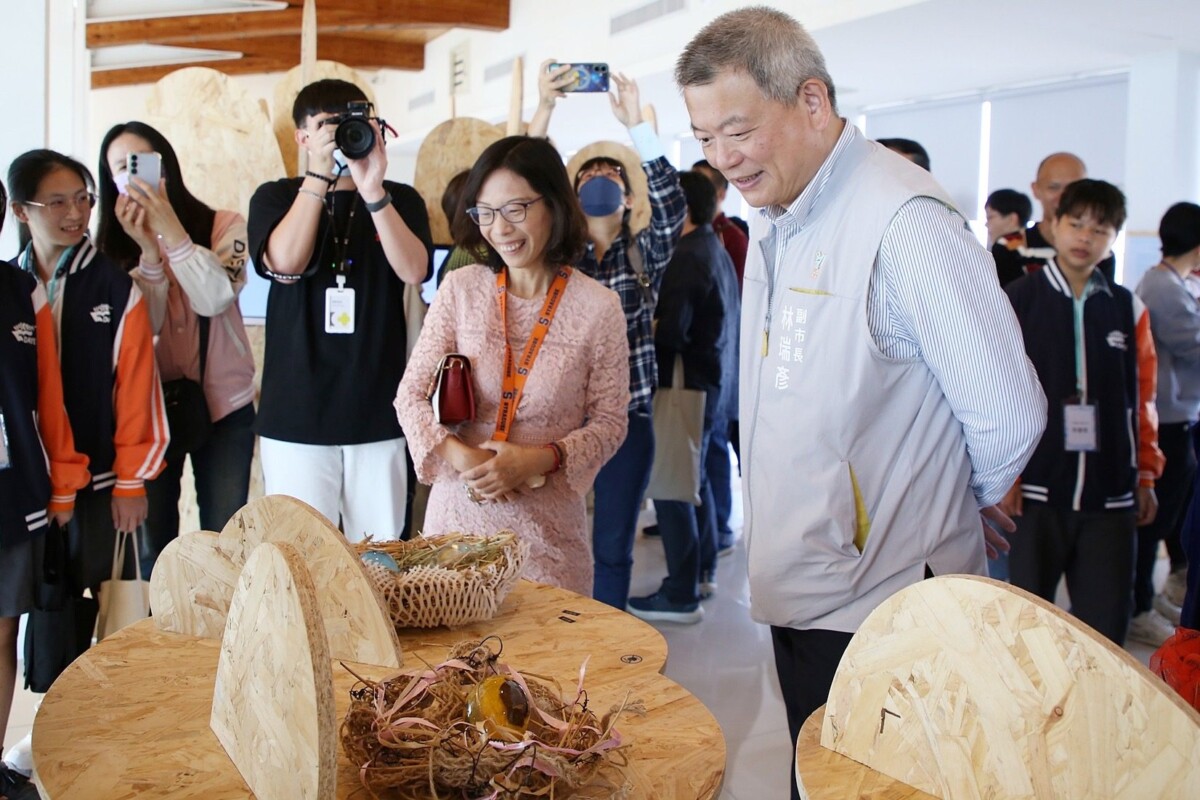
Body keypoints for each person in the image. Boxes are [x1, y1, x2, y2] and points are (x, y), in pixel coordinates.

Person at [674, 9, 1046, 797]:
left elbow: (1008, 411)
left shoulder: (902, 221)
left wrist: (955, 500)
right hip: (806, 580)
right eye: (704, 137)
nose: (721, 158)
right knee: (815, 774)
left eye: (737, 131)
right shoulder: (786, 210)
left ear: (811, 101)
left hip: (878, 603)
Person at [395, 135, 629, 595]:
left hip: (548, 540)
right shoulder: (461, 289)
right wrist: (464, 458)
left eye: (515, 209)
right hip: (456, 532)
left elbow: (610, 422)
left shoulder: (598, 307)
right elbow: (410, 396)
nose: (499, 228)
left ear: (554, 204)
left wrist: (539, 459)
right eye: (484, 212)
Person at [529, 61, 686, 609]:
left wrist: (636, 127)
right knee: (550, 539)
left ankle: (607, 640)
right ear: (569, 197)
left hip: (627, 420)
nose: (600, 179)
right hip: (558, 421)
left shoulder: (645, 252)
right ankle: (557, 632)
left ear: (629, 195)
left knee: (613, 547)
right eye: (588, 175)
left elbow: (672, 205)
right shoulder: (555, 257)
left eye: (612, 174)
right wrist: (544, 108)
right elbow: (529, 182)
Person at [248, 79, 432, 542]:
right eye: (329, 125)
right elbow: (285, 261)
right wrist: (317, 178)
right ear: (303, 137)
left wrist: (373, 191)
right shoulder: (275, 196)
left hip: (378, 409)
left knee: (382, 555)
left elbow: (414, 270)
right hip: (296, 412)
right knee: (299, 555)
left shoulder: (399, 199)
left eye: (355, 123)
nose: (344, 134)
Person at [1003, 179, 1162, 646]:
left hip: (1110, 495)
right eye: (1076, 224)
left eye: (1100, 229)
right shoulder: (1018, 300)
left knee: (1105, 629)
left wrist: (1146, 476)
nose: (1085, 237)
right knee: (1026, 628)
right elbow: (997, 395)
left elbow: (1144, 398)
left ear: (1114, 238)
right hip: (1034, 491)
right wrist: (1005, 475)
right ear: (1053, 226)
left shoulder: (1127, 307)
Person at [95, 121, 256, 578]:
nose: (132, 176)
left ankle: (224, 621)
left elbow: (215, 298)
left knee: (226, 541)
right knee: (155, 549)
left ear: (165, 166)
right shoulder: (108, 249)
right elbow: (142, 328)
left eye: (140, 163)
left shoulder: (224, 225)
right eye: (119, 168)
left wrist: (173, 233)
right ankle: (161, 623)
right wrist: (149, 253)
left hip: (226, 407)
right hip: (148, 414)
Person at [8, 149, 167, 594]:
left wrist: (130, 482)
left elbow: (137, 388)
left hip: (102, 479)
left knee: (103, 602)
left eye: (83, 199)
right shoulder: (11, 285)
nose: (76, 213)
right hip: (27, 479)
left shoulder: (113, 286)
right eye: (57, 202)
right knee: (41, 608)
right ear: (20, 211)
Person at [0, 178, 90, 799]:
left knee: (3, 631)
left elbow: (47, 396)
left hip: (13, 490)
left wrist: (61, 485)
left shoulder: (19, 288)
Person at [627, 171, 740, 623]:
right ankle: (703, 572)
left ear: (681, 209)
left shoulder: (686, 257)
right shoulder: (712, 245)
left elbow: (671, 332)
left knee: (672, 488)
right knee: (697, 482)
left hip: (683, 384)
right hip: (709, 381)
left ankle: (680, 592)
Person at [1136, 202, 1200, 637]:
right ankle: (1139, 605)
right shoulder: (1164, 287)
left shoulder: (1173, 283)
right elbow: (1194, 345)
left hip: (1177, 414)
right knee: (1159, 519)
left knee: (1171, 517)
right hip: (1169, 419)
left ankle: (1148, 599)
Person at [1026, 152, 1116, 284]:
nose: (1063, 197)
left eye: (1073, 189)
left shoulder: (1099, 253)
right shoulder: (1009, 247)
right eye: (1054, 188)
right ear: (1036, 189)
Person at [691, 158, 748, 284]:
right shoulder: (684, 229)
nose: (692, 192)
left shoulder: (734, 239)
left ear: (721, 194)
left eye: (700, 186)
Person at [986, 188, 1034, 288]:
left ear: (1012, 218)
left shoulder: (1003, 246)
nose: (986, 224)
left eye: (990, 217)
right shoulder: (1036, 243)